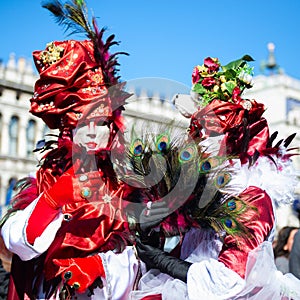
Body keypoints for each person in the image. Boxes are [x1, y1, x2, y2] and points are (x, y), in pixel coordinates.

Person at [0, 1, 144, 299]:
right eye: (82, 123)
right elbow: (12, 242)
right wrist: (51, 200)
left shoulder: (129, 186)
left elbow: (143, 257)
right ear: (68, 127)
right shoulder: (47, 174)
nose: (92, 132)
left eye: (101, 122)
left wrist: (101, 266)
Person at [129, 55, 300, 299]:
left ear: (233, 137)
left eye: (212, 132)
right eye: (198, 132)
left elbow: (230, 279)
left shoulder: (251, 197)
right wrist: (151, 241)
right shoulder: (201, 195)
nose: (203, 141)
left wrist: (165, 262)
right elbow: (188, 256)